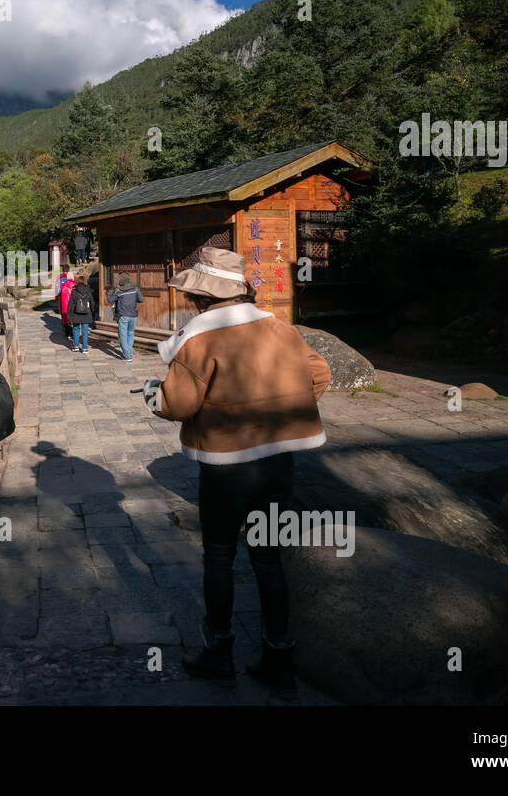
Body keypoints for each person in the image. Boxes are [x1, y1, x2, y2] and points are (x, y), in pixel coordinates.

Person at [142, 247, 330, 699]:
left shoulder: (198, 340)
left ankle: (220, 652)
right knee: (268, 559)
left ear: (202, 297)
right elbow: (319, 373)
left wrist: (153, 395)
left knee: (220, 557)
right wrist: (282, 409)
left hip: (226, 467)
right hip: (277, 462)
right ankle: (279, 659)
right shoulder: (278, 328)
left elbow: (179, 404)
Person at [107, 272, 143, 362]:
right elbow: (141, 300)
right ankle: (129, 352)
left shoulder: (119, 291)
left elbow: (110, 300)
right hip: (133, 315)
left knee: (122, 335)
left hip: (123, 315)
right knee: (130, 334)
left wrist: (109, 292)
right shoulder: (135, 290)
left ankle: (127, 355)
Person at [64, 267, 95, 353]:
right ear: (85, 282)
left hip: (76, 313)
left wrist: (69, 316)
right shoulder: (89, 291)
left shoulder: (74, 291)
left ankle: (75, 346)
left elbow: (70, 304)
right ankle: (84, 348)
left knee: (76, 329)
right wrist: (92, 311)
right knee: (85, 331)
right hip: (86, 314)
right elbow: (92, 303)